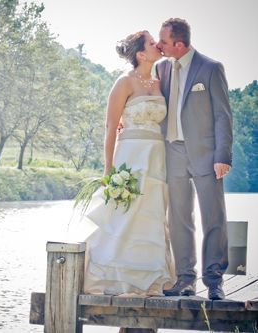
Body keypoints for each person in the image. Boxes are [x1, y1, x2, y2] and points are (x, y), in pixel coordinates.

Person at [82, 30, 175, 299]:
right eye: (151, 43)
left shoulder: (160, 82)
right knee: (125, 214)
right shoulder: (124, 82)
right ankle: (115, 275)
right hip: (130, 156)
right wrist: (108, 170)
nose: (157, 45)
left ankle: (152, 277)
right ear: (141, 54)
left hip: (156, 157)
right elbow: (111, 128)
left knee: (152, 214)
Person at [155, 18, 233, 300]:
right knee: (178, 218)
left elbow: (223, 115)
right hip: (172, 151)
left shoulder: (211, 68)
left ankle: (213, 280)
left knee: (213, 216)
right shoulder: (161, 68)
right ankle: (185, 279)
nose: (158, 45)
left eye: (163, 42)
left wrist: (223, 155)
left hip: (206, 154)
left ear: (179, 44)